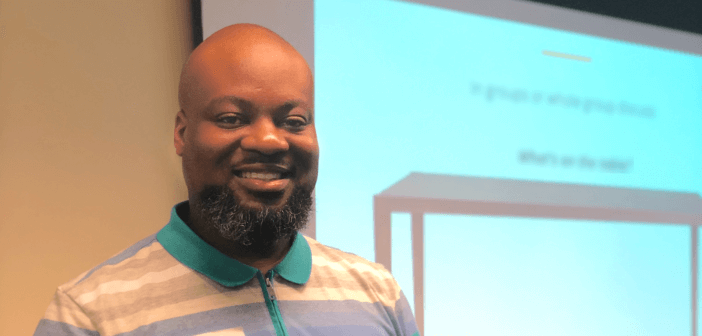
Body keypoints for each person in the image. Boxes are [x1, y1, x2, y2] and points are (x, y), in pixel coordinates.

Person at [34, 24, 419, 336]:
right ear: (182, 134)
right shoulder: (89, 316)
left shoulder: (378, 294)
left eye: (294, 121)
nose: (269, 141)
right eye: (231, 118)